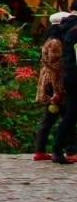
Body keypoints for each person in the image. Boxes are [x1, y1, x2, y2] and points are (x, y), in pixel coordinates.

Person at [35, 12, 76, 161]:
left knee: (50, 117)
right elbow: (55, 68)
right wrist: (57, 90)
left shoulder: (49, 41)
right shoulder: (56, 43)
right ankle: (70, 150)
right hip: (55, 84)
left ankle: (41, 150)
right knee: (67, 116)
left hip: (50, 84)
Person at [52, 2, 77, 164]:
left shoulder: (68, 27)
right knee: (70, 116)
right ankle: (57, 150)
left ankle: (57, 149)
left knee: (71, 115)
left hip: (70, 77)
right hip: (75, 77)